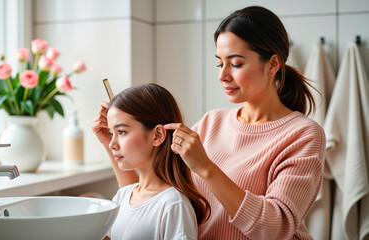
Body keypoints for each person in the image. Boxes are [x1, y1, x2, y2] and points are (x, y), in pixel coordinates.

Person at [97, 6, 327, 240]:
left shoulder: (304, 135)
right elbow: (149, 193)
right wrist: (112, 142)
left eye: (236, 64)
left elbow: (275, 228)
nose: (222, 75)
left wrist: (206, 168)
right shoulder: (211, 123)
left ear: (273, 64)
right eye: (220, 64)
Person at [92, 83, 210, 240]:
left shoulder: (173, 205)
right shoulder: (123, 196)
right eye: (110, 132)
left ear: (157, 135)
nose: (112, 144)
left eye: (121, 132)